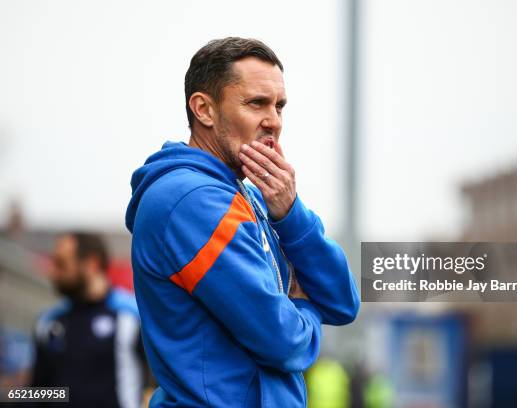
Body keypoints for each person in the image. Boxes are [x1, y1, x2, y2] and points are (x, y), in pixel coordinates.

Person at [125, 37, 360, 407]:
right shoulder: (193, 200)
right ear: (204, 109)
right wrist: (304, 311)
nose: (274, 121)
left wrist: (290, 212)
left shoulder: (247, 194)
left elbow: (343, 302)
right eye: (257, 104)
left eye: (280, 106)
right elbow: (282, 341)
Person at [31, 232, 146, 407]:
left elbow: (161, 382)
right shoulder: (48, 322)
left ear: (91, 263)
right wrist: (8, 395)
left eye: (61, 264)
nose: (53, 273)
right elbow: (38, 391)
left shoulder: (131, 316)